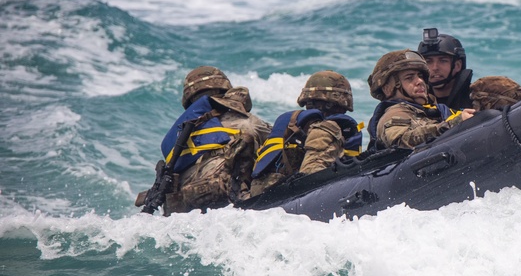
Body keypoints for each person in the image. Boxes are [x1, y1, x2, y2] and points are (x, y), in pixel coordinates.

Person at [136, 66, 271, 215]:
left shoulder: (182, 134)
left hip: (184, 207)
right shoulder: (247, 121)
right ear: (225, 90)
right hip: (228, 197)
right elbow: (276, 146)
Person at [248, 70, 364, 197]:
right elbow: (312, 174)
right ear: (333, 102)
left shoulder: (291, 122)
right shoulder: (328, 127)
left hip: (259, 193)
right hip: (284, 196)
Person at [366, 49, 473, 151]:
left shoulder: (433, 110)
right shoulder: (394, 114)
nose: (420, 81)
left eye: (420, 76)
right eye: (409, 78)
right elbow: (401, 141)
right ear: (388, 88)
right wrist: (451, 125)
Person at [416, 27, 473, 109]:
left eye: (443, 61)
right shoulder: (414, 100)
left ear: (457, 66)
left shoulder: (476, 99)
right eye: (428, 61)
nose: (435, 67)